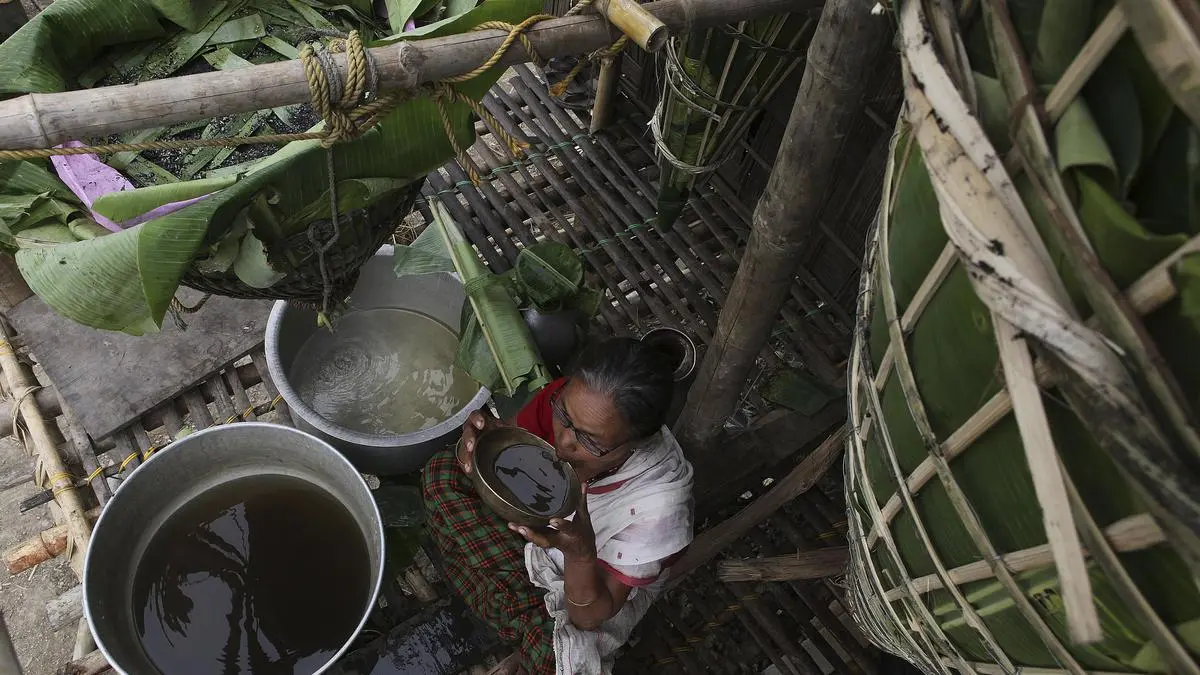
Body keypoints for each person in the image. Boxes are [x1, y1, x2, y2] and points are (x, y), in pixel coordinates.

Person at [422, 337, 695, 675]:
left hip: (584, 591)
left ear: (635, 444)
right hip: (535, 546)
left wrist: (581, 554)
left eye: (589, 441)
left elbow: (590, 615)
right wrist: (475, 452)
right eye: (563, 417)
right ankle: (522, 619)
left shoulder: (656, 508)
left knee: (556, 660)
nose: (563, 443)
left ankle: (523, 619)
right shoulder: (566, 400)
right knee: (442, 474)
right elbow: (511, 448)